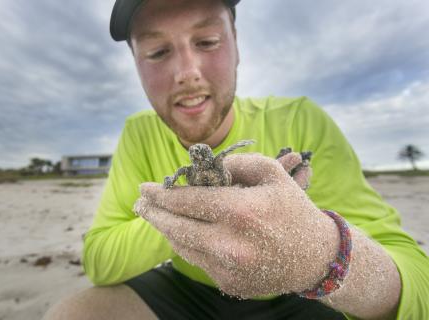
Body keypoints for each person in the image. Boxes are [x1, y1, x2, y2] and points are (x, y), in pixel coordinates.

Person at [43, 0, 429, 319]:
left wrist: (321, 253)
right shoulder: (139, 133)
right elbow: (99, 262)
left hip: (302, 296)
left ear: (237, 43)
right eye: (158, 52)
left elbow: (418, 281)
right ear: (136, 64)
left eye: (207, 41)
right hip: (188, 291)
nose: (187, 73)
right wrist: (193, 208)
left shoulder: (300, 118)